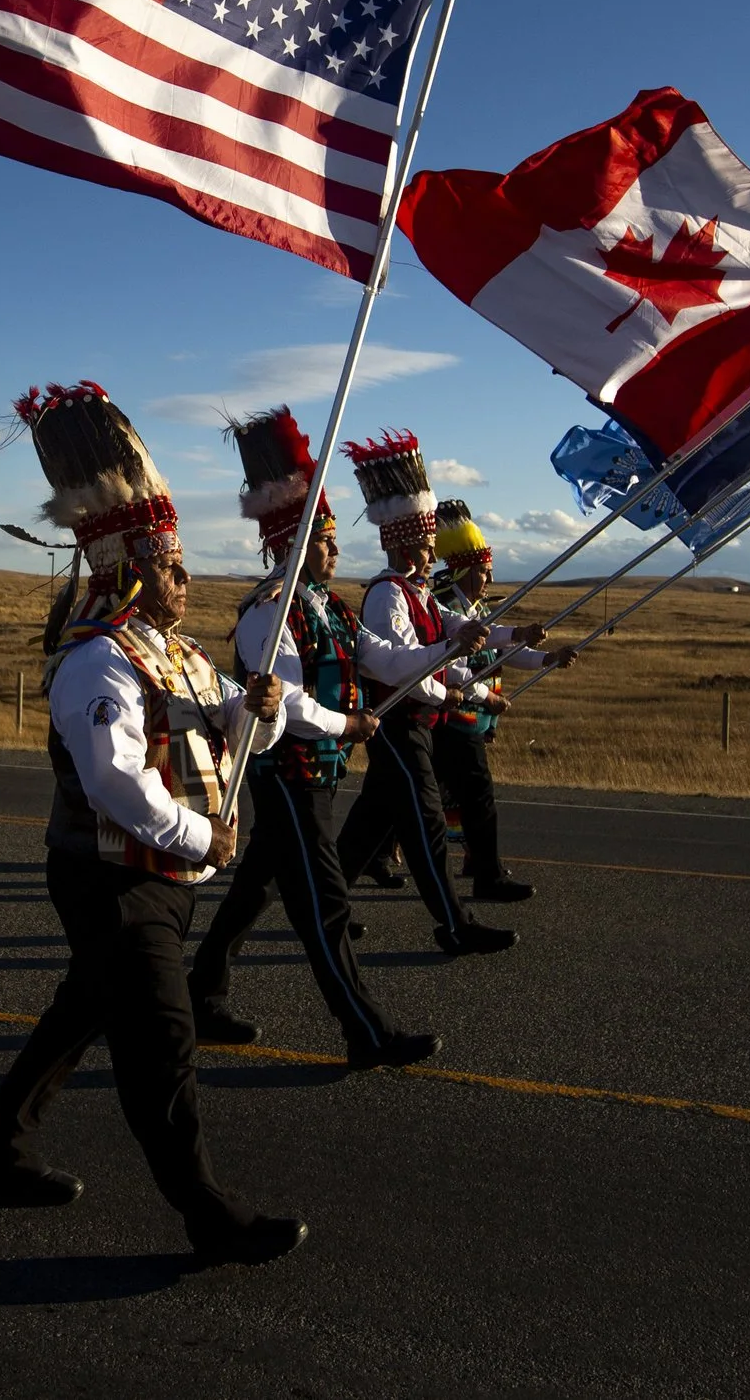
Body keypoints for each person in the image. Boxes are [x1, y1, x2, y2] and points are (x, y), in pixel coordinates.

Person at [0, 381, 305, 1267]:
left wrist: (262, 708)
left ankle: (0, 1147)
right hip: (113, 876)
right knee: (161, 1040)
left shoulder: (180, 653)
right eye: (169, 564)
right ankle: (209, 1213)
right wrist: (203, 840)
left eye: (182, 562)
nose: (185, 578)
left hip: (163, 877)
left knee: (82, 1010)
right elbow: (116, 783)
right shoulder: (96, 665)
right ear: (126, 566)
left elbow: (240, 725)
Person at [187, 408, 441, 1068]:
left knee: (255, 891)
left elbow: (383, 658)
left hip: (318, 780)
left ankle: (200, 992)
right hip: (287, 778)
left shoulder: (332, 608)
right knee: (326, 907)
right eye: (324, 541)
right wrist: (349, 724)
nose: (334, 551)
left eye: (331, 540)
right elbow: (290, 705)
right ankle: (366, 1030)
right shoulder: (268, 614)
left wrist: (448, 650)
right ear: (294, 543)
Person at [331, 432, 542, 957]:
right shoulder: (386, 595)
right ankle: (453, 923)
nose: (432, 557)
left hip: (415, 727)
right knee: (426, 827)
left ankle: (318, 905)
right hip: (400, 728)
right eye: (426, 548)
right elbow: (398, 664)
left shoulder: (417, 593)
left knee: (364, 832)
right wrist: (446, 691)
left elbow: (469, 630)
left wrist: (516, 636)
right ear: (405, 547)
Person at [429, 499, 576, 903]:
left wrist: (546, 657)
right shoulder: (443, 607)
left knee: (426, 792)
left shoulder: (478, 609)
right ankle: (485, 874)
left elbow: (502, 649)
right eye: (482, 570)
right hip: (449, 713)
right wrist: (483, 696)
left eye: (488, 570)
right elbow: (445, 664)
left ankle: (364, 859)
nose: (488, 577)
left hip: (470, 715)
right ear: (461, 570)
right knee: (475, 792)